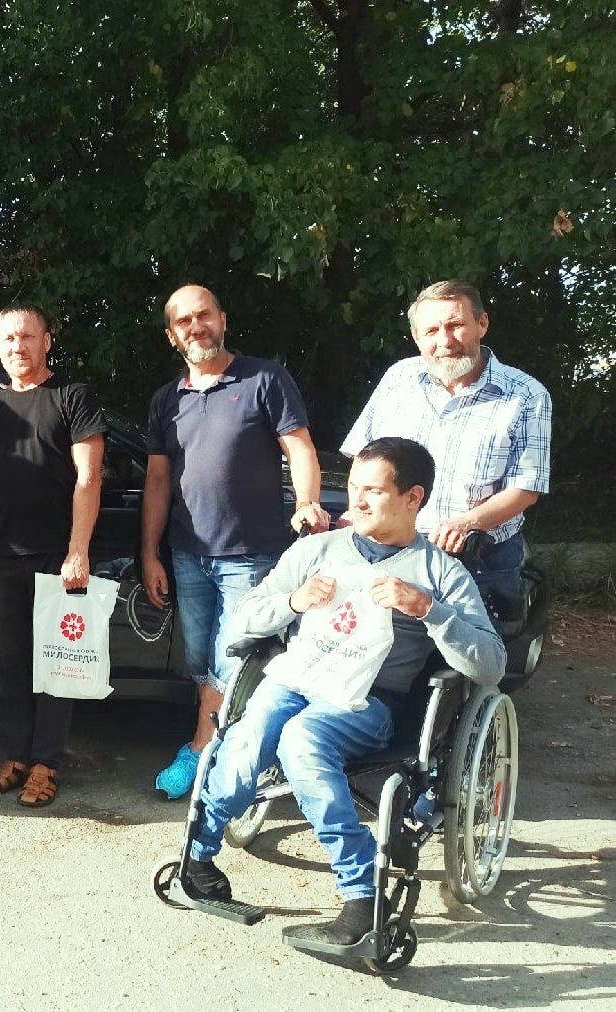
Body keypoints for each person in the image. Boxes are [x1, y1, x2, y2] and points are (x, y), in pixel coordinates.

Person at [181, 437, 505, 944]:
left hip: (369, 703)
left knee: (301, 739)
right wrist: (293, 601)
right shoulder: (315, 551)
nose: (354, 502)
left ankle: (360, 893)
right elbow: (241, 623)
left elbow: (490, 665)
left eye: (372, 491)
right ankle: (198, 857)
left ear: (413, 498)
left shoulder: (439, 572)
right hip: (298, 678)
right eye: (353, 487)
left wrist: (427, 610)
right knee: (253, 730)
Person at [141, 284, 329, 800]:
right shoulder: (166, 400)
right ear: (171, 335)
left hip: (252, 554)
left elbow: (300, 448)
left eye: (204, 315)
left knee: (234, 657)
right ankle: (231, 746)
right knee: (201, 658)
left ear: (222, 318)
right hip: (187, 553)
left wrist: (307, 502)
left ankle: (204, 751)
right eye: (184, 321)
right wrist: (149, 553)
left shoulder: (265, 378)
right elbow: (157, 482)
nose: (195, 326)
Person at [0, 303, 105, 808]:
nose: (17, 347)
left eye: (26, 337)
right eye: (7, 340)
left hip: (57, 558)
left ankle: (46, 763)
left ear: (46, 340)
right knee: (5, 662)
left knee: (57, 665)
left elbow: (88, 479)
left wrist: (77, 550)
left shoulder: (72, 398)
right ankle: (16, 757)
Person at [341, 281, 551, 601]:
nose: (445, 341)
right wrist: (355, 512)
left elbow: (525, 489)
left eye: (456, 326)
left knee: (475, 650)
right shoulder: (399, 378)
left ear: (482, 324)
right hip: (389, 553)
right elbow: (362, 457)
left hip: (481, 563)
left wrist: (468, 523)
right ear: (416, 337)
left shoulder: (526, 395)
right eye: (431, 331)